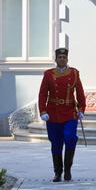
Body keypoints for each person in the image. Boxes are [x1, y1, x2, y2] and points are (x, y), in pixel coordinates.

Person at [38, 48, 86, 182]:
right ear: (56, 59)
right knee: (56, 142)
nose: (62, 59)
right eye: (59, 57)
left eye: (64, 57)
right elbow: (42, 94)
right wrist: (43, 111)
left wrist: (81, 110)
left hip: (70, 112)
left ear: (67, 59)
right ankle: (57, 172)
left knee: (70, 137)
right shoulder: (48, 74)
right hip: (53, 113)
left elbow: (80, 93)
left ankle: (68, 170)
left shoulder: (74, 73)